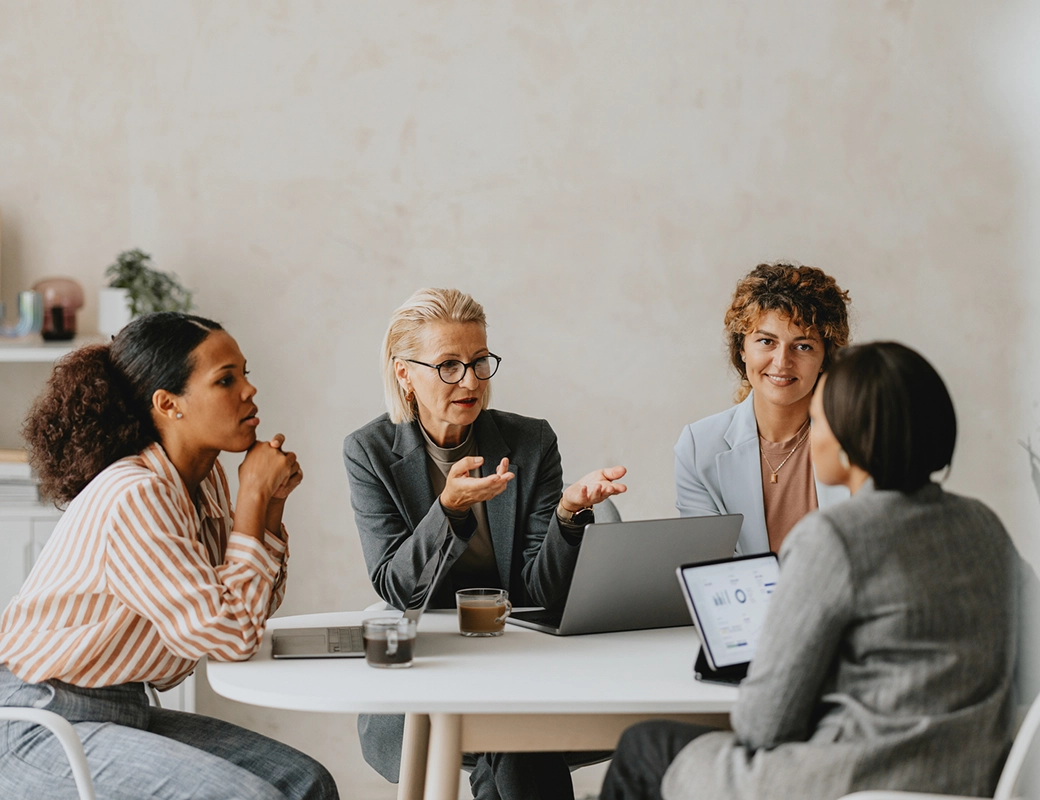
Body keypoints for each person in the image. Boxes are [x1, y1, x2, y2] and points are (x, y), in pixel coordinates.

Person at [601, 341, 1016, 800]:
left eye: (818, 420)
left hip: (856, 778)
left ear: (849, 438)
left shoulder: (835, 537)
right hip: (974, 777)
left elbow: (763, 724)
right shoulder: (984, 525)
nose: (810, 432)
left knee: (644, 747)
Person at [0, 312, 338, 800]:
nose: (249, 391)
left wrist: (268, 505)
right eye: (226, 379)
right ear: (168, 403)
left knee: (305, 783)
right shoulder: (134, 494)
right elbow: (233, 637)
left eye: (245, 373)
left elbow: (251, 606)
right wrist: (252, 499)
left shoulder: (206, 482)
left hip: (122, 709)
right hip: (38, 722)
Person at [343, 287, 627, 800]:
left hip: (520, 655)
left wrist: (568, 516)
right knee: (515, 734)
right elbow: (395, 586)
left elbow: (539, 591)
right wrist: (447, 509)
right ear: (404, 372)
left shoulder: (530, 442)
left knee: (511, 724)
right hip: (433, 662)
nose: (470, 381)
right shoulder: (370, 452)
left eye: (479, 362)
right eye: (448, 365)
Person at [675, 263, 852, 555]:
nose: (782, 362)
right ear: (742, 348)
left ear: (826, 357)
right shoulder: (698, 447)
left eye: (803, 346)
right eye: (766, 341)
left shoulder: (858, 438)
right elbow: (709, 570)